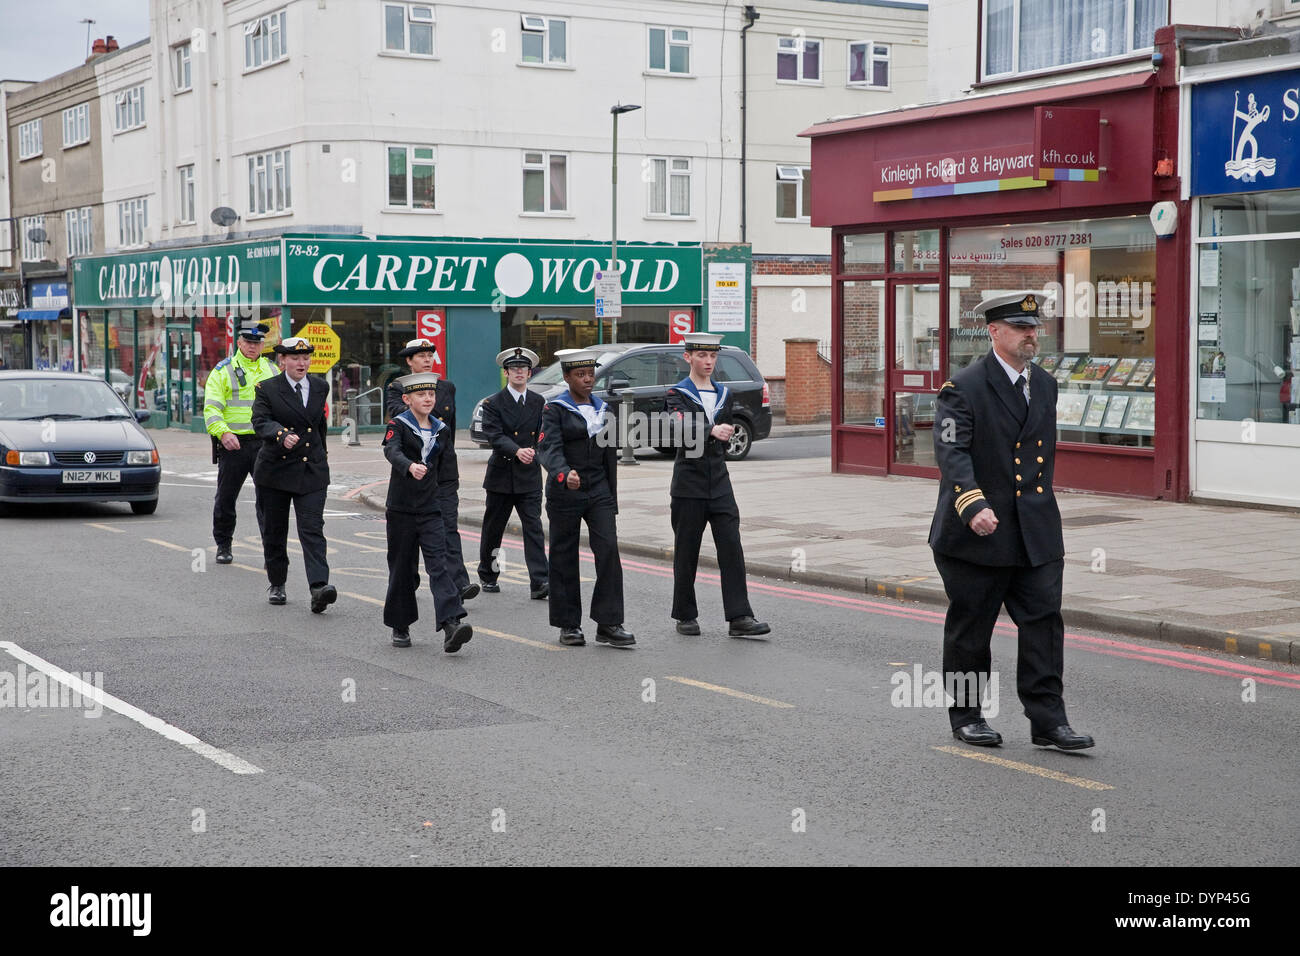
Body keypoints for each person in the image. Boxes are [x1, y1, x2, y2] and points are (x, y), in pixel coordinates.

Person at [930, 291, 1093, 751]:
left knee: (1044, 624)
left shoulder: (1044, 383)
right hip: (977, 530)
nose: (1030, 334)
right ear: (993, 332)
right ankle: (967, 716)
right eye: (1021, 328)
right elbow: (952, 451)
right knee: (972, 627)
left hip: (1036, 530)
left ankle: (1049, 721)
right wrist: (972, 502)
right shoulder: (962, 387)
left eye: (1034, 327)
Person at [664, 333, 770, 638]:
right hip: (688, 483)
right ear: (688, 358)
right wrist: (711, 430)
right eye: (701, 356)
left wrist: (718, 438)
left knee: (731, 549)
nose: (708, 362)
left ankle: (739, 616)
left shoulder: (724, 393)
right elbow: (677, 425)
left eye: (712, 356)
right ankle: (685, 614)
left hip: (719, 481)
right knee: (687, 551)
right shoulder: (677, 393)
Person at [537, 349, 634, 647]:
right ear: (567, 378)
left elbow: (610, 456)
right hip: (566, 490)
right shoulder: (554, 409)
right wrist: (564, 474)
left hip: (599, 490)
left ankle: (608, 623)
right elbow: (548, 449)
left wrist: (611, 495)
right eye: (580, 375)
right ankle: (568, 624)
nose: (587, 379)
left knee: (608, 551)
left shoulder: (604, 408)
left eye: (591, 374)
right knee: (565, 556)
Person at [382, 372, 472, 652]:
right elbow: (390, 450)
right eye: (421, 395)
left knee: (440, 564)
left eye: (431, 394)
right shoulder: (398, 425)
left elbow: (447, 472)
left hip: (431, 508)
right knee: (403, 568)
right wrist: (408, 466)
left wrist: (447, 503)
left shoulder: (441, 429)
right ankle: (400, 625)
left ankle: (451, 624)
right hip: (402, 508)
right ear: (407, 399)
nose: (428, 399)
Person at [384, 338, 478, 603]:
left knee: (448, 524)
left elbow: (449, 431)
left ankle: (459, 582)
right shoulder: (397, 388)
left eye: (430, 354)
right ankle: (408, 584)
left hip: (444, 470)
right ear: (409, 361)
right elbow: (404, 419)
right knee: (410, 541)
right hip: (413, 473)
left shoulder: (447, 387)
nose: (427, 359)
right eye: (421, 355)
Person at [251, 336, 337, 613]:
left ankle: (319, 587)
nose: (302, 363)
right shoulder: (267, 388)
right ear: (282, 361)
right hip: (275, 470)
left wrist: (322, 455)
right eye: (295, 358)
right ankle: (277, 583)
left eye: (306, 358)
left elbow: (318, 424)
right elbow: (260, 421)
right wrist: (280, 434)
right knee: (275, 530)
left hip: (311, 469)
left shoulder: (320, 386)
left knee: (312, 529)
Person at [203, 319, 279, 564]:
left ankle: (271, 550)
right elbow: (211, 409)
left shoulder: (272, 369)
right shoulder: (222, 370)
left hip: (264, 444)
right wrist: (223, 433)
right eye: (248, 342)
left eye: (257, 343)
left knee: (268, 500)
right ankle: (223, 544)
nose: (252, 347)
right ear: (239, 342)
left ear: (262, 345)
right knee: (226, 498)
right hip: (233, 444)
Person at [477, 346, 549, 598]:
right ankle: (489, 573)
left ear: (530, 373)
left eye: (524, 369)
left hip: (528, 475)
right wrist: (517, 450)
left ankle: (539, 581)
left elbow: (544, 433)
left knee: (534, 528)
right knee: (494, 529)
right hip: (502, 476)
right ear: (506, 373)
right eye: (514, 369)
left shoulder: (539, 401)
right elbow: (493, 435)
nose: (519, 372)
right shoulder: (493, 403)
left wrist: (535, 451)